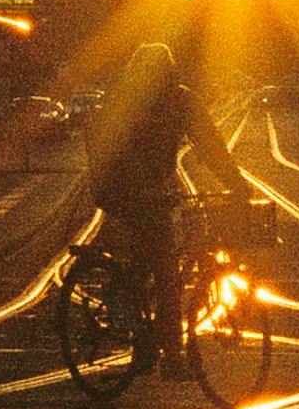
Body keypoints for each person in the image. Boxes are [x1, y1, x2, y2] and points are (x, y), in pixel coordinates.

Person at [82, 37, 247, 354]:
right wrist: (143, 187)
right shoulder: (133, 101)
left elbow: (209, 145)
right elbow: (118, 151)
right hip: (123, 187)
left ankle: (142, 331)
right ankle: (171, 355)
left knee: (154, 255)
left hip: (149, 189)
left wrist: (235, 182)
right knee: (167, 269)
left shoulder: (179, 101)